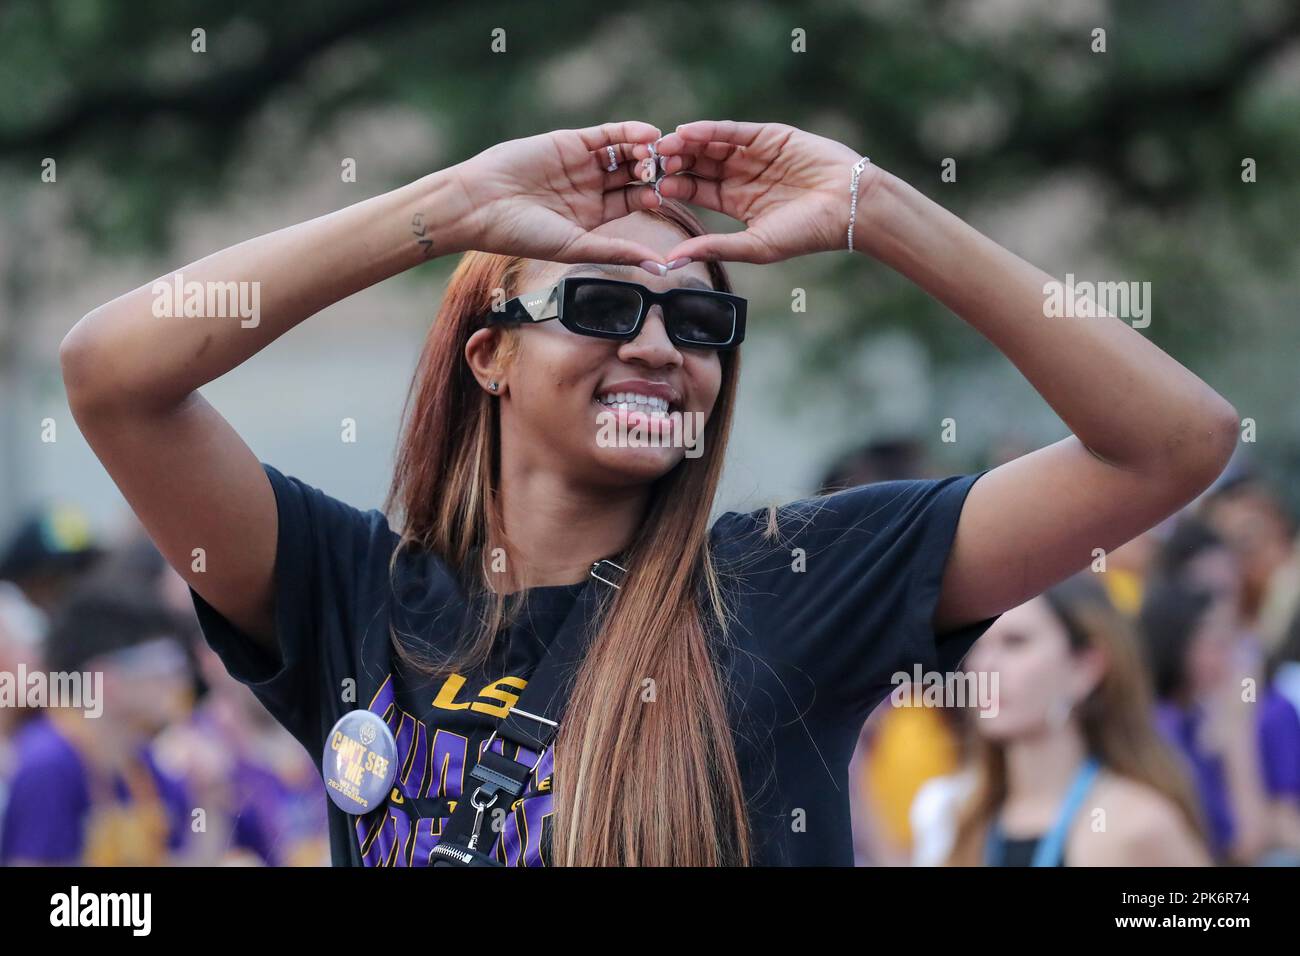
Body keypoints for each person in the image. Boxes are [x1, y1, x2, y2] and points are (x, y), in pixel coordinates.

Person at [61, 119, 1237, 866]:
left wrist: (882, 214)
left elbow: (1172, 442)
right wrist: (437, 211)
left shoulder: (792, 578)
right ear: (490, 356)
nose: (661, 346)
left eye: (702, 318)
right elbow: (112, 376)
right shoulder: (347, 591)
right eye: (603, 305)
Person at [943, 576, 1209, 866]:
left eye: (1015, 643)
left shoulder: (1138, 825)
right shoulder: (967, 819)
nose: (985, 666)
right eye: (976, 646)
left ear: (1084, 667)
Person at [0, 583, 195, 865]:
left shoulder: (142, 762)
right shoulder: (48, 764)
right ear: (104, 679)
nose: (178, 681)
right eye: (162, 665)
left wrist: (212, 805)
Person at [1140, 577, 1300, 863]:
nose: (1233, 658)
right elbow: (1247, 842)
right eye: (1218, 644)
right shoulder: (1163, 727)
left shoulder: (1195, 716)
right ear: (1178, 645)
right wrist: (1238, 728)